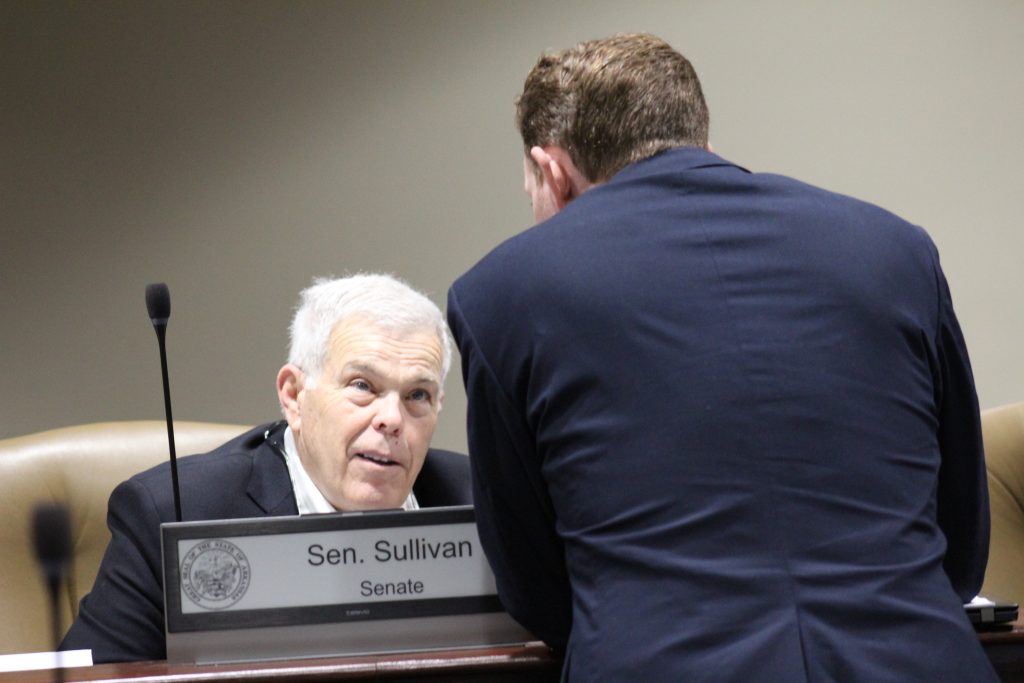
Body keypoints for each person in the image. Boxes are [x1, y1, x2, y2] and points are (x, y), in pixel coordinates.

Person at [446, 33, 996, 682]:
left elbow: (534, 585)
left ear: (552, 172)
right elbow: (961, 542)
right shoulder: (896, 250)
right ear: (701, 141)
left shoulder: (500, 292)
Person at [61, 273, 470, 663]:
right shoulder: (174, 511)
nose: (393, 419)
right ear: (294, 396)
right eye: (362, 386)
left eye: (418, 395)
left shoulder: (484, 505)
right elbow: (95, 677)